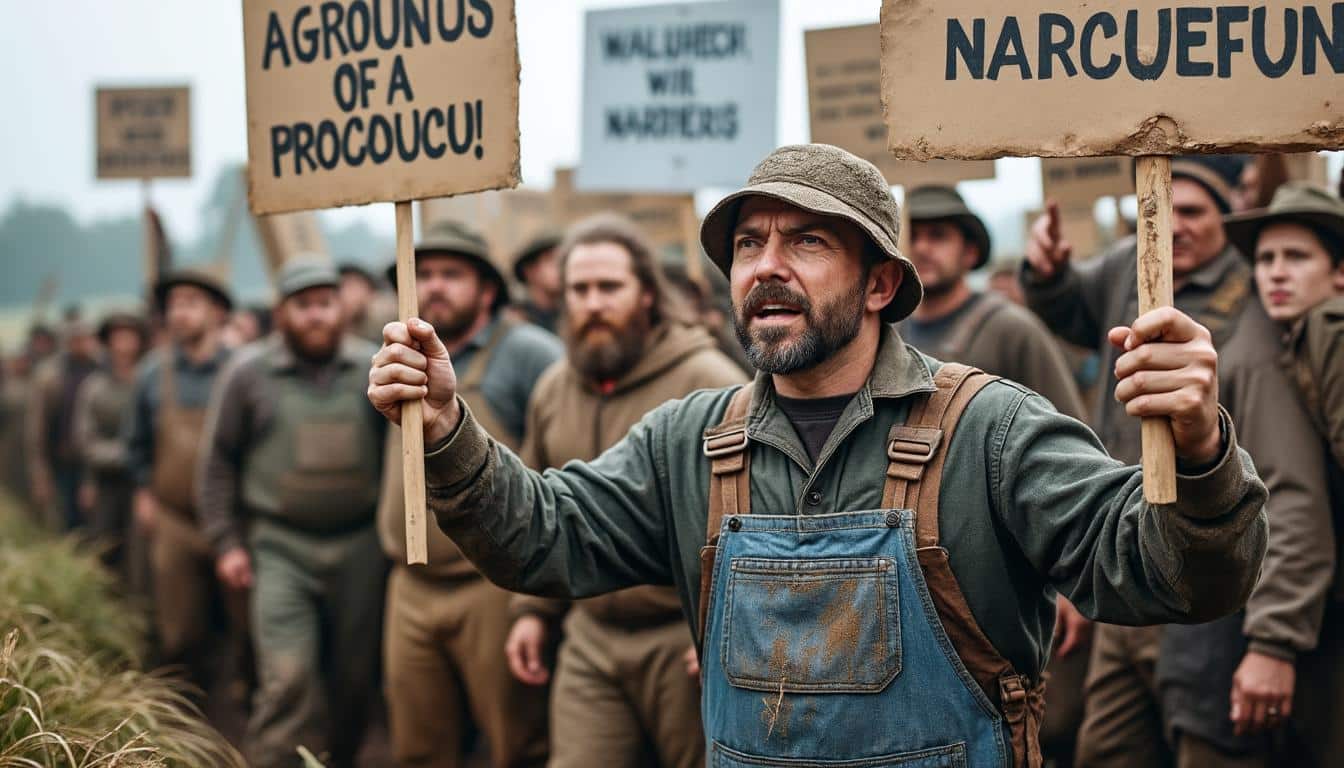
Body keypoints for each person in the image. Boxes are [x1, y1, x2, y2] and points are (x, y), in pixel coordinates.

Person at [369, 144, 1269, 767]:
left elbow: (1174, 580)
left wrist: (1196, 447)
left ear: (881, 282)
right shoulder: (689, 442)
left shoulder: (990, 429)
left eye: (806, 241)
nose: (768, 266)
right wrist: (448, 429)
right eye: (750, 244)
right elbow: (539, 538)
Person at [1021, 157, 1331, 768]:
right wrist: (1047, 273)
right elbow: (1073, 308)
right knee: (1107, 750)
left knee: (1208, 747)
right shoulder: (1131, 267)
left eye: (1194, 212)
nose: (1173, 226)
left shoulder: (1253, 316)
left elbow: (1292, 495)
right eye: (1161, 213)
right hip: (1131, 570)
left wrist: (1274, 641)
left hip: (1209, 582)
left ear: (1226, 221)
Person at [503, 214, 746, 768]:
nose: (593, 303)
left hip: (683, 639)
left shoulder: (707, 383)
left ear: (646, 295)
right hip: (590, 637)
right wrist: (532, 613)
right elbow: (537, 507)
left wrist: (724, 621)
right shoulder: (552, 389)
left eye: (609, 287)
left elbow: (752, 513)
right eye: (579, 289)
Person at [900, 185, 1090, 767]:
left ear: (969, 249)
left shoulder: (1008, 328)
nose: (923, 247)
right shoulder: (888, 335)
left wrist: (1071, 581)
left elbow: (1071, 455)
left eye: (939, 235)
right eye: (914, 234)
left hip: (1002, 574)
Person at [376, 220, 562, 768]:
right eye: (424, 274)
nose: (434, 286)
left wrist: (541, 607)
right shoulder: (396, 354)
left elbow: (560, 460)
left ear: (487, 289)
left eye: (452, 274)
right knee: (417, 745)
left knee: (514, 742)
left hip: (492, 584)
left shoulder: (529, 354)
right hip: (409, 583)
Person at [197, 259, 385, 768]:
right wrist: (226, 542)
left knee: (353, 679)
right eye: (303, 306)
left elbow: (402, 457)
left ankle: (338, 758)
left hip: (361, 546)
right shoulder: (248, 375)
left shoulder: (374, 367)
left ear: (341, 309)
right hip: (280, 547)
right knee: (288, 678)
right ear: (282, 314)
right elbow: (217, 466)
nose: (316, 316)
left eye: (326, 303)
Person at [1223, 182, 1344, 766]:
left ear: (1339, 272)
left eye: (1297, 257)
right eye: (1266, 259)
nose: (1275, 273)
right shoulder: (1297, 336)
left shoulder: (1331, 329)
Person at [123, 269, 240, 688]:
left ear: (218, 312)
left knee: (244, 627)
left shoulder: (242, 370)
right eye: (173, 305)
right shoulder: (153, 374)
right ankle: (186, 716)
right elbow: (135, 443)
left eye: (191, 303)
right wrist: (144, 492)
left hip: (235, 520)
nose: (179, 313)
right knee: (180, 631)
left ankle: (244, 710)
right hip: (174, 518)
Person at [72, 312, 149, 571]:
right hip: (108, 483)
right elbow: (85, 441)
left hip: (146, 484)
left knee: (143, 554)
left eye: (130, 336)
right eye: (118, 337)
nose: (124, 344)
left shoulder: (151, 382)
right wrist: (127, 455)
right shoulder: (94, 388)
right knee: (106, 550)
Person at [25, 317, 101, 531]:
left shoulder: (100, 370)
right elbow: (37, 429)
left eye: (85, 339)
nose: (82, 344)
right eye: (76, 339)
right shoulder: (50, 377)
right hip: (62, 461)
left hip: (93, 461)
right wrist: (40, 472)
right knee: (67, 520)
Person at [509, 231, 564, 333]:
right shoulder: (512, 320)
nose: (562, 267)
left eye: (564, 260)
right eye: (551, 260)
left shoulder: (571, 318)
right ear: (529, 270)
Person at [337, 261, 391, 343]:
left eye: (353, 287)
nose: (346, 293)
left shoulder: (386, 321)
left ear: (371, 292)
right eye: (343, 286)